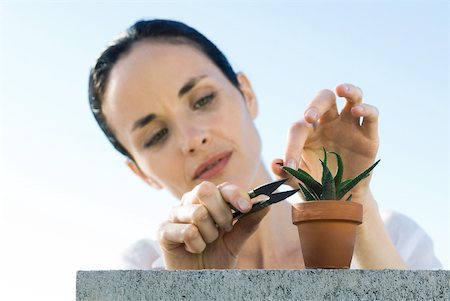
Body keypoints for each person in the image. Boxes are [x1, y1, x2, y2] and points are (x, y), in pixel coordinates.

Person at [88, 19, 442, 270]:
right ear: (140, 172)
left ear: (247, 94)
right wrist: (192, 290)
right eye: (155, 136)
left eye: (202, 100)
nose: (192, 139)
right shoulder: (142, 272)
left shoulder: (396, 238)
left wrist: (352, 210)